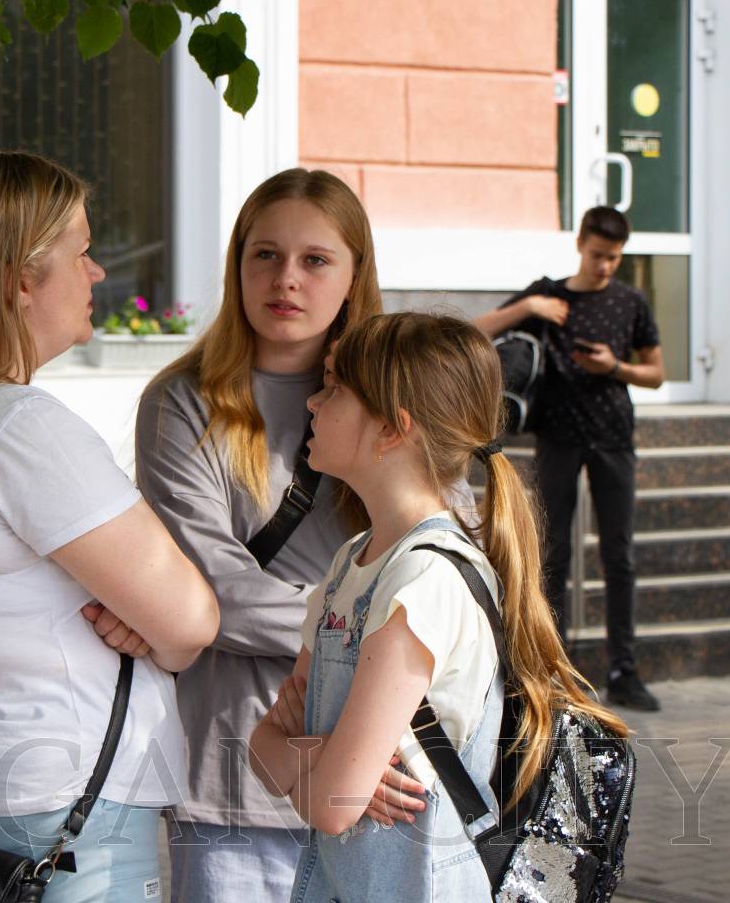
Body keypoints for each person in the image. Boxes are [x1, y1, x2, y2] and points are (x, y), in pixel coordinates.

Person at [0, 149, 219, 902]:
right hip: (64, 805)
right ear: (19, 280)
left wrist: (142, 618)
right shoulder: (20, 428)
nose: (97, 272)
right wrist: (152, 626)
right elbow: (190, 621)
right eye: (81, 252)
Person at [249, 312, 629, 902]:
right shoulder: (351, 561)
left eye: (334, 388)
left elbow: (331, 804)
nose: (313, 403)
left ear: (391, 428)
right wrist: (323, 763)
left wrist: (308, 761)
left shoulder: (424, 580)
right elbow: (261, 750)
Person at [134, 168, 383, 902]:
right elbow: (213, 595)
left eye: (315, 259)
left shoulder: (396, 401)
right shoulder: (183, 403)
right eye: (265, 254)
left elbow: (435, 562)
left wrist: (383, 626)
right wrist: (377, 628)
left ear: (354, 275)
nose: (286, 279)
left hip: (373, 764)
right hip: (235, 776)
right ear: (237, 265)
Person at [473, 205, 665, 712]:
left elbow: (657, 374)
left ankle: (624, 671)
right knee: (552, 554)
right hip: (558, 436)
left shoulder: (630, 302)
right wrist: (529, 307)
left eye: (614, 258)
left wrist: (615, 367)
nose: (605, 266)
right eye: (598, 254)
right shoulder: (548, 294)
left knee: (619, 556)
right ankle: (552, 671)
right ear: (580, 243)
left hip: (613, 436)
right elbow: (477, 330)